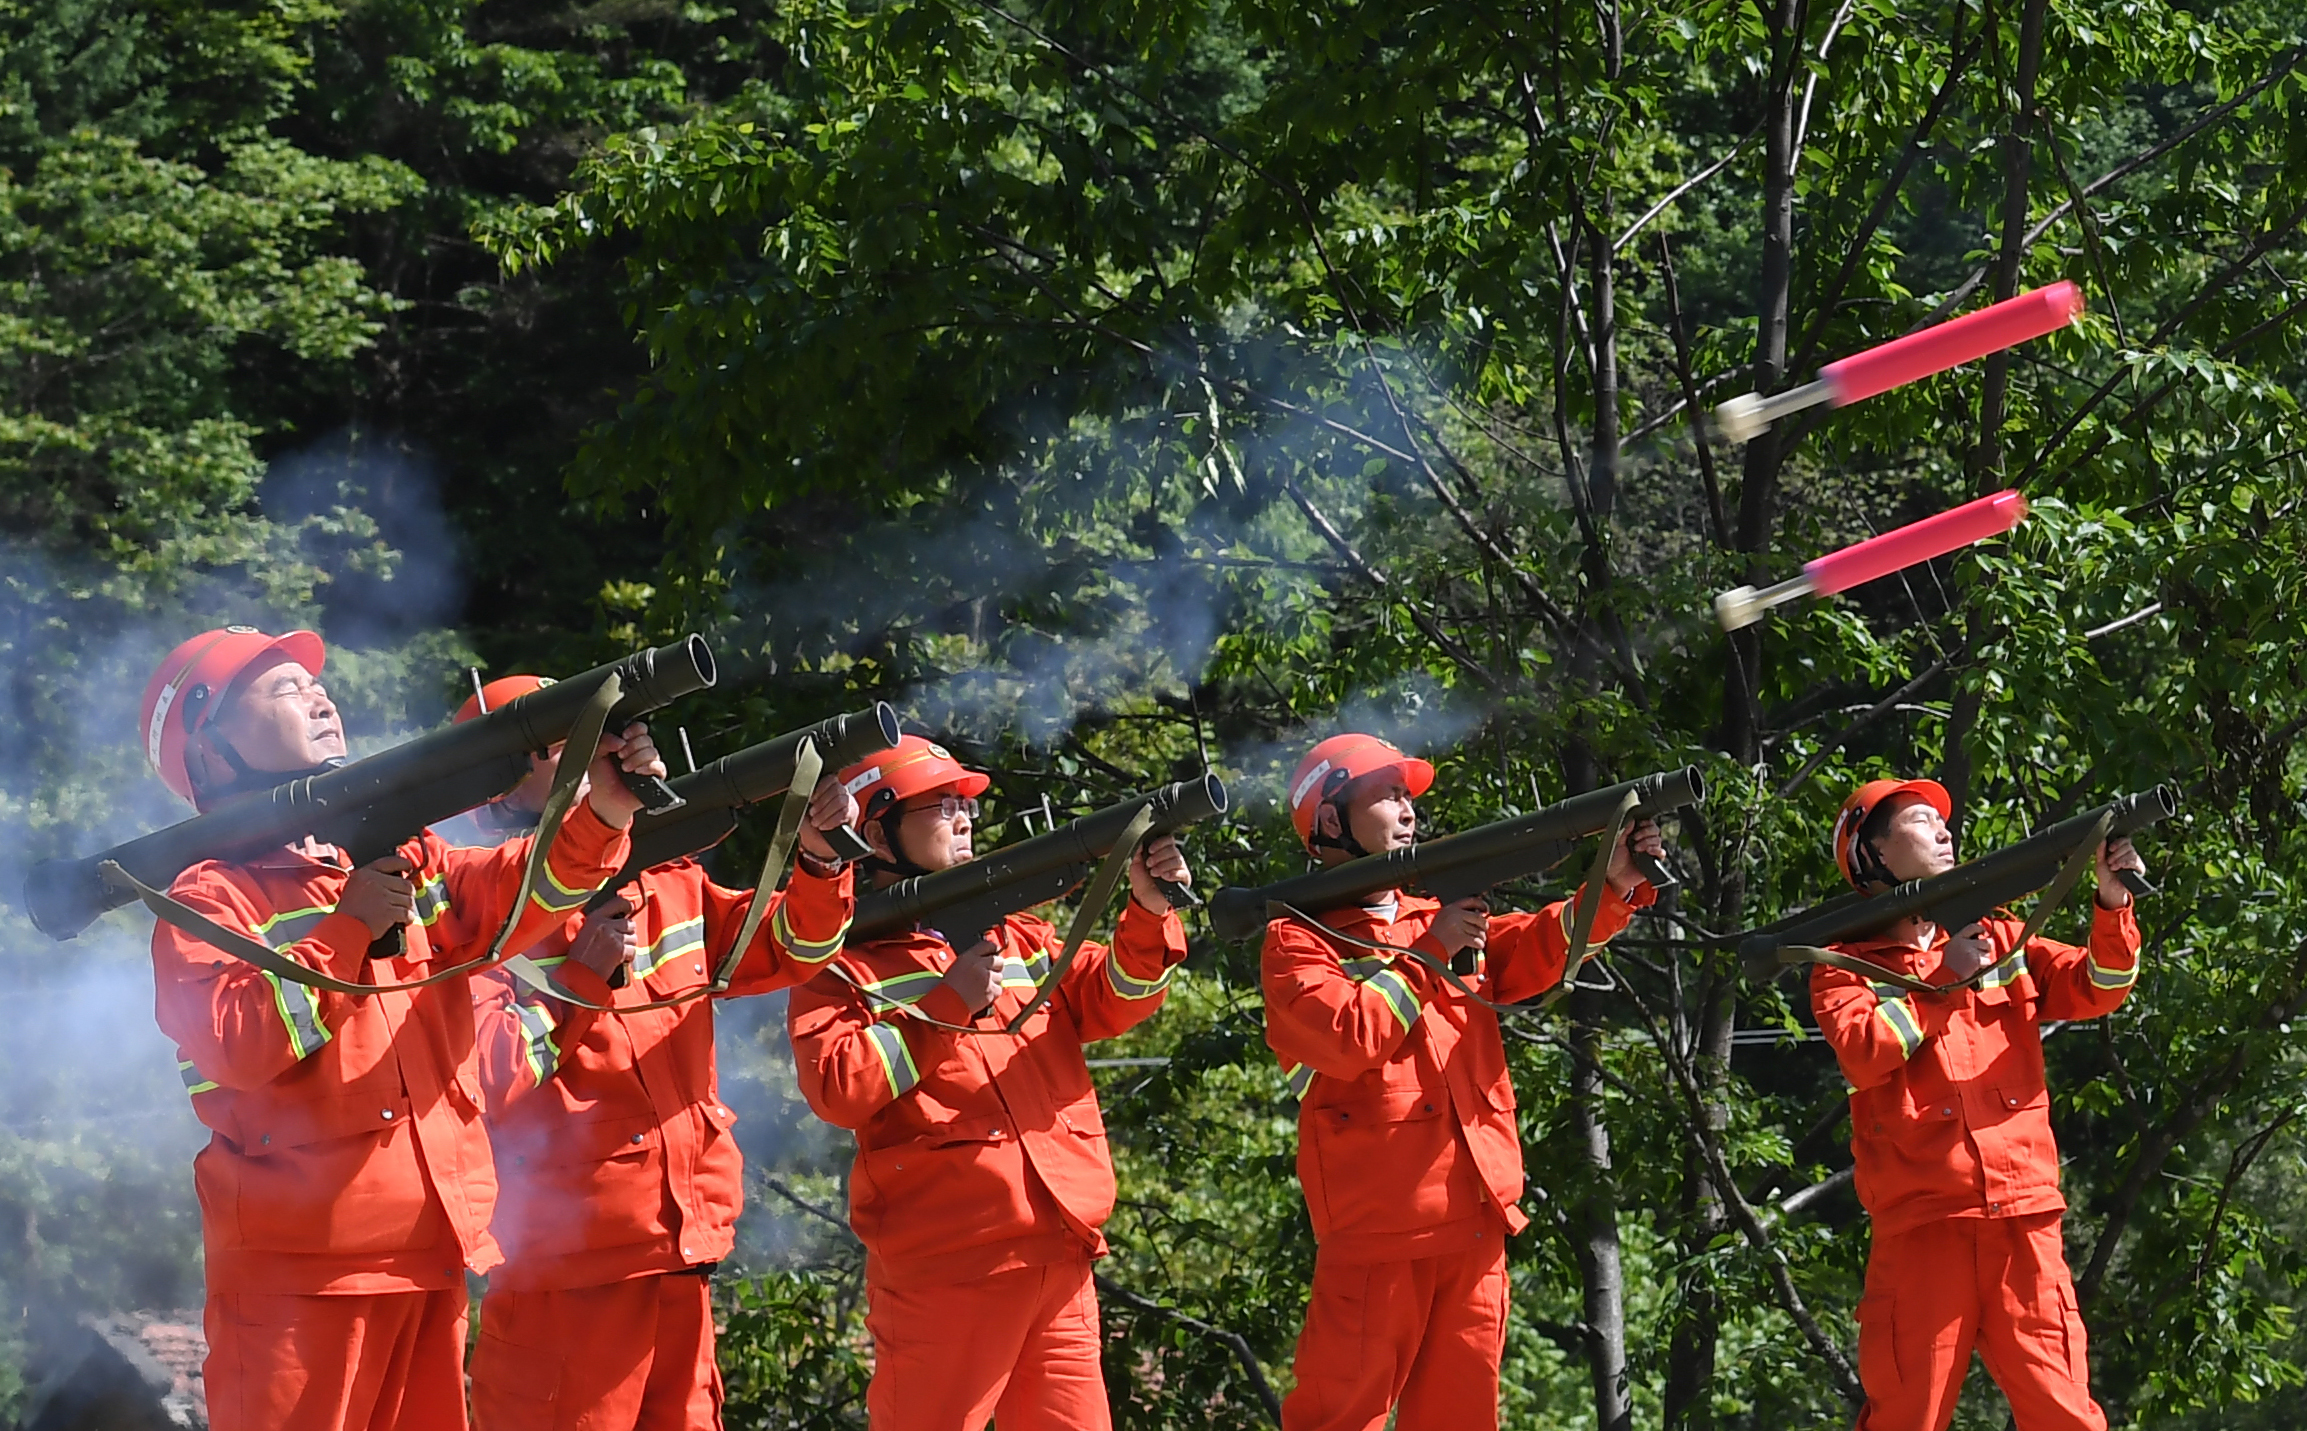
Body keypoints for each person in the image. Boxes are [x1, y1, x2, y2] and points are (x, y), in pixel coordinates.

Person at [142, 628, 663, 1431]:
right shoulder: (210, 895)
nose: (319, 695)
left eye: (316, 684)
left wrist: (603, 811)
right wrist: (346, 930)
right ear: (210, 755)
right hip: (301, 1283)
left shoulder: (406, 853)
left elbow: (520, 891)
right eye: (282, 689)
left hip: (429, 1253)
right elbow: (237, 1043)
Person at [455, 674, 863, 1430]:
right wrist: (581, 980)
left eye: (607, 734)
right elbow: (486, 1077)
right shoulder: (478, 910)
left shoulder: (668, 880)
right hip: (566, 1272)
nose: (606, 751)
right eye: (571, 743)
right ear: (493, 789)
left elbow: (791, 948)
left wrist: (818, 861)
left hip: (679, 1251)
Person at [786, 734, 1194, 1431]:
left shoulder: (1021, 935)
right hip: (949, 1264)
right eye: (939, 806)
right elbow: (837, 1088)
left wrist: (1149, 911)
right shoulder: (843, 961)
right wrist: (945, 1004)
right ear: (877, 831)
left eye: (963, 804)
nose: (963, 817)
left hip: (1058, 1249)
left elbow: (1115, 996)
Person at [1261, 733, 1664, 1431]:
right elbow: (1348, 1035)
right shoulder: (1296, 939)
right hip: (1379, 1230)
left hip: (1475, 1222)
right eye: (1386, 794)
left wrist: (1615, 881)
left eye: (1408, 795)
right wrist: (1432, 950)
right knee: (1338, 1417)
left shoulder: (1432, 919)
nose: (1408, 809)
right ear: (1329, 821)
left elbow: (1539, 944)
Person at [1813, 778, 2147, 1431]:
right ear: (1869, 853)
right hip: (1922, 1232)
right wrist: (1942, 979)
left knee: (2066, 1416)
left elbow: (2098, 985)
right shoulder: (1842, 963)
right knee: (1905, 1418)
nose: (1943, 830)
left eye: (1943, 821)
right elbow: (1863, 1050)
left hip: (2022, 1222)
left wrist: (2112, 902)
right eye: (1917, 820)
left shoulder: (1997, 933)